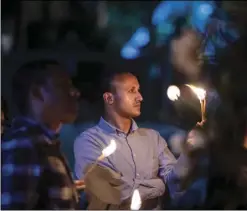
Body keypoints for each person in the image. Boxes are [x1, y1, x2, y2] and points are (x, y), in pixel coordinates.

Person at [74, 71, 203, 209]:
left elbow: (173, 182)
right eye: (132, 91)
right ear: (109, 98)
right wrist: (158, 185)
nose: (140, 97)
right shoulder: (89, 141)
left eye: (139, 90)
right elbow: (106, 194)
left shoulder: (152, 138)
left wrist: (187, 154)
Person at [1, 60, 81, 209]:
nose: (75, 92)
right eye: (63, 86)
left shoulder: (45, 145)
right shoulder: (24, 144)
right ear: (37, 93)